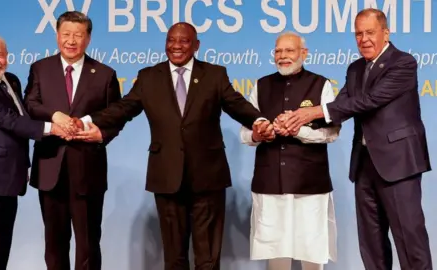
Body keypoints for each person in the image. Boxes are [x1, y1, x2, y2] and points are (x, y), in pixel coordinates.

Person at [72, 22, 274, 269]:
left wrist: (259, 120)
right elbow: (123, 108)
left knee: (208, 256)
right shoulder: (148, 77)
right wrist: (88, 121)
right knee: (173, 255)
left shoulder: (214, 74)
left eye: (184, 41)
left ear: (196, 45)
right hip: (166, 175)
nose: (176, 46)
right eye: (171, 40)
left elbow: (236, 104)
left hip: (208, 176)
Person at [282, 8, 432, 270]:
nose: (364, 39)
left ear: (386, 33)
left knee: (410, 242)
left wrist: (314, 111)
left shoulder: (403, 63)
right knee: (371, 244)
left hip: (398, 164)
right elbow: (341, 104)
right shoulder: (355, 68)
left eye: (370, 33)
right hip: (364, 165)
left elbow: (369, 100)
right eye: (358, 34)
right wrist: (298, 119)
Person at [23, 11, 122, 270]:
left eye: (78, 35)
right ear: (57, 35)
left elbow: (115, 117)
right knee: (54, 242)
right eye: (66, 34)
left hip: (88, 169)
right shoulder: (40, 69)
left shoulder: (104, 74)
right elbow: (30, 104)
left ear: (88, 39)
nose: (71, 40)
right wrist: (54, 115)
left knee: (88, 242)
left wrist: (101, 134)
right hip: (50, 166)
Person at [0, 34, 65, 270]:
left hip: (9, 179)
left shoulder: (11, 80)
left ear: (7, 55)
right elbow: (10, 121)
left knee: (1, 252)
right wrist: (53, 128)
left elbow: (24, 115)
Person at [240, 31, 340, 270]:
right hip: (270, 182)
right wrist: (259, 134)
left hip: (310, 184)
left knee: (312, 249)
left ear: (303, 53)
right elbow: (246, 133)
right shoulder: (261, 85)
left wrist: (298, 130)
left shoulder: (321, 84)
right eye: (278, 51)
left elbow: (333, 133)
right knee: (275, 249)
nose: (283, 56)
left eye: (289, 50)